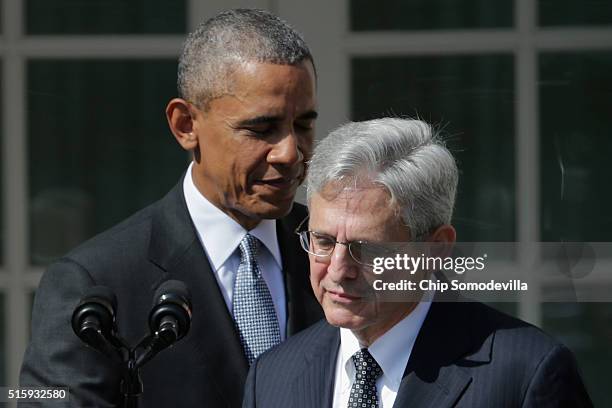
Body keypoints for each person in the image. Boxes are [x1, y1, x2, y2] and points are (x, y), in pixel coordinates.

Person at [20, 9, 322, 407]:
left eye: (303, 125)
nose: (289, 152)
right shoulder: (92, 282)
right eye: (260, 129)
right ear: (185, 125)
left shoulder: (346, 251)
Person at [242, 118, 593, 407]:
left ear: (436, 248)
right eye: (323, 240)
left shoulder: (527, 374)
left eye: (367, 249)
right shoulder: (272, 377)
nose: (337, 269)